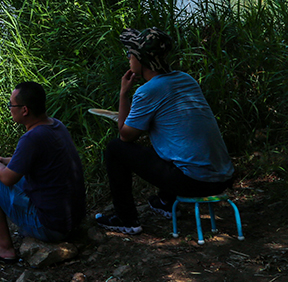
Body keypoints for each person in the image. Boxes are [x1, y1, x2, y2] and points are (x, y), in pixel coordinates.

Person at [95, 27, 234, 235]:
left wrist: (124, 94)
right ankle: (165, 201)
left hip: (196, 183)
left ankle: (126, 219)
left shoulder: (148, 91)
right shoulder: (186, 79)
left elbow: (125, 135)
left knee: (115, 149)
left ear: (141, 59)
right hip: (224, 177)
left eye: (130, 54)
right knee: (175, 138)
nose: (128, 59)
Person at [0, 81, 86, 262]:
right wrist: (3, 161)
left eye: (11, 105)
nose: (9, 108)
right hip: (73, 220)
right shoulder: (56, 126)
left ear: (24, 110)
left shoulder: (31, 138)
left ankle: (3, 249)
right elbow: (34, 161)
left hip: (52, 227)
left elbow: (8, 178)